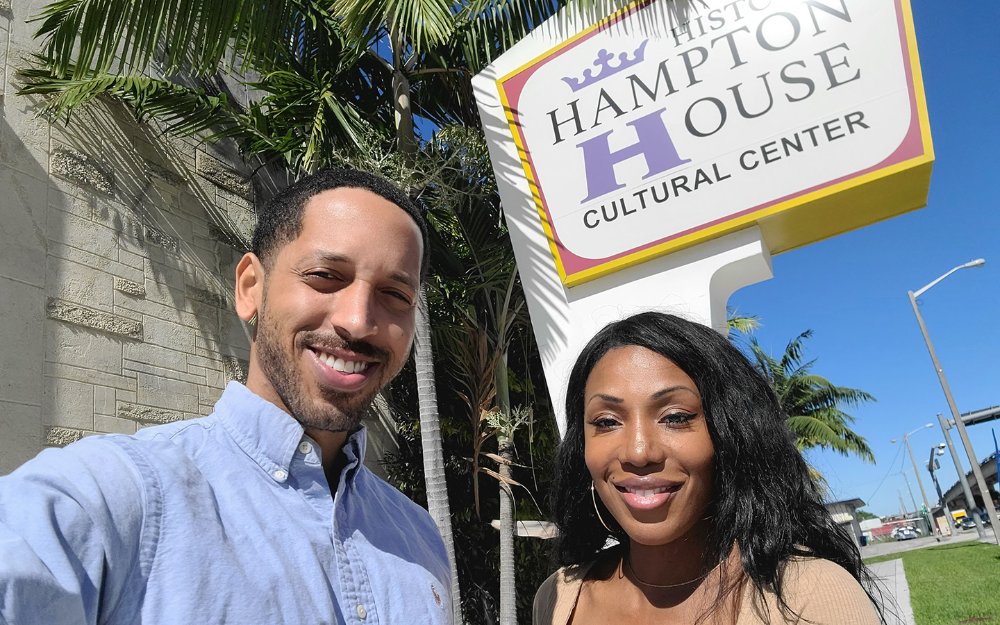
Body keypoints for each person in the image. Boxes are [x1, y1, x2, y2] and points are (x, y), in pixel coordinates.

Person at [0, 168, 452, 624]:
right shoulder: (115, 495)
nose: (358, 321)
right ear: (250, 287)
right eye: (324, 276)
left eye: (395, 294)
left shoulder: (419, 539)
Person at [534, 312, 885, 625]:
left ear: (729, 434)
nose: (639, 452)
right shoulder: (558, 598)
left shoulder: (812, 597)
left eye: (675, 417)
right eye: (607, 422)